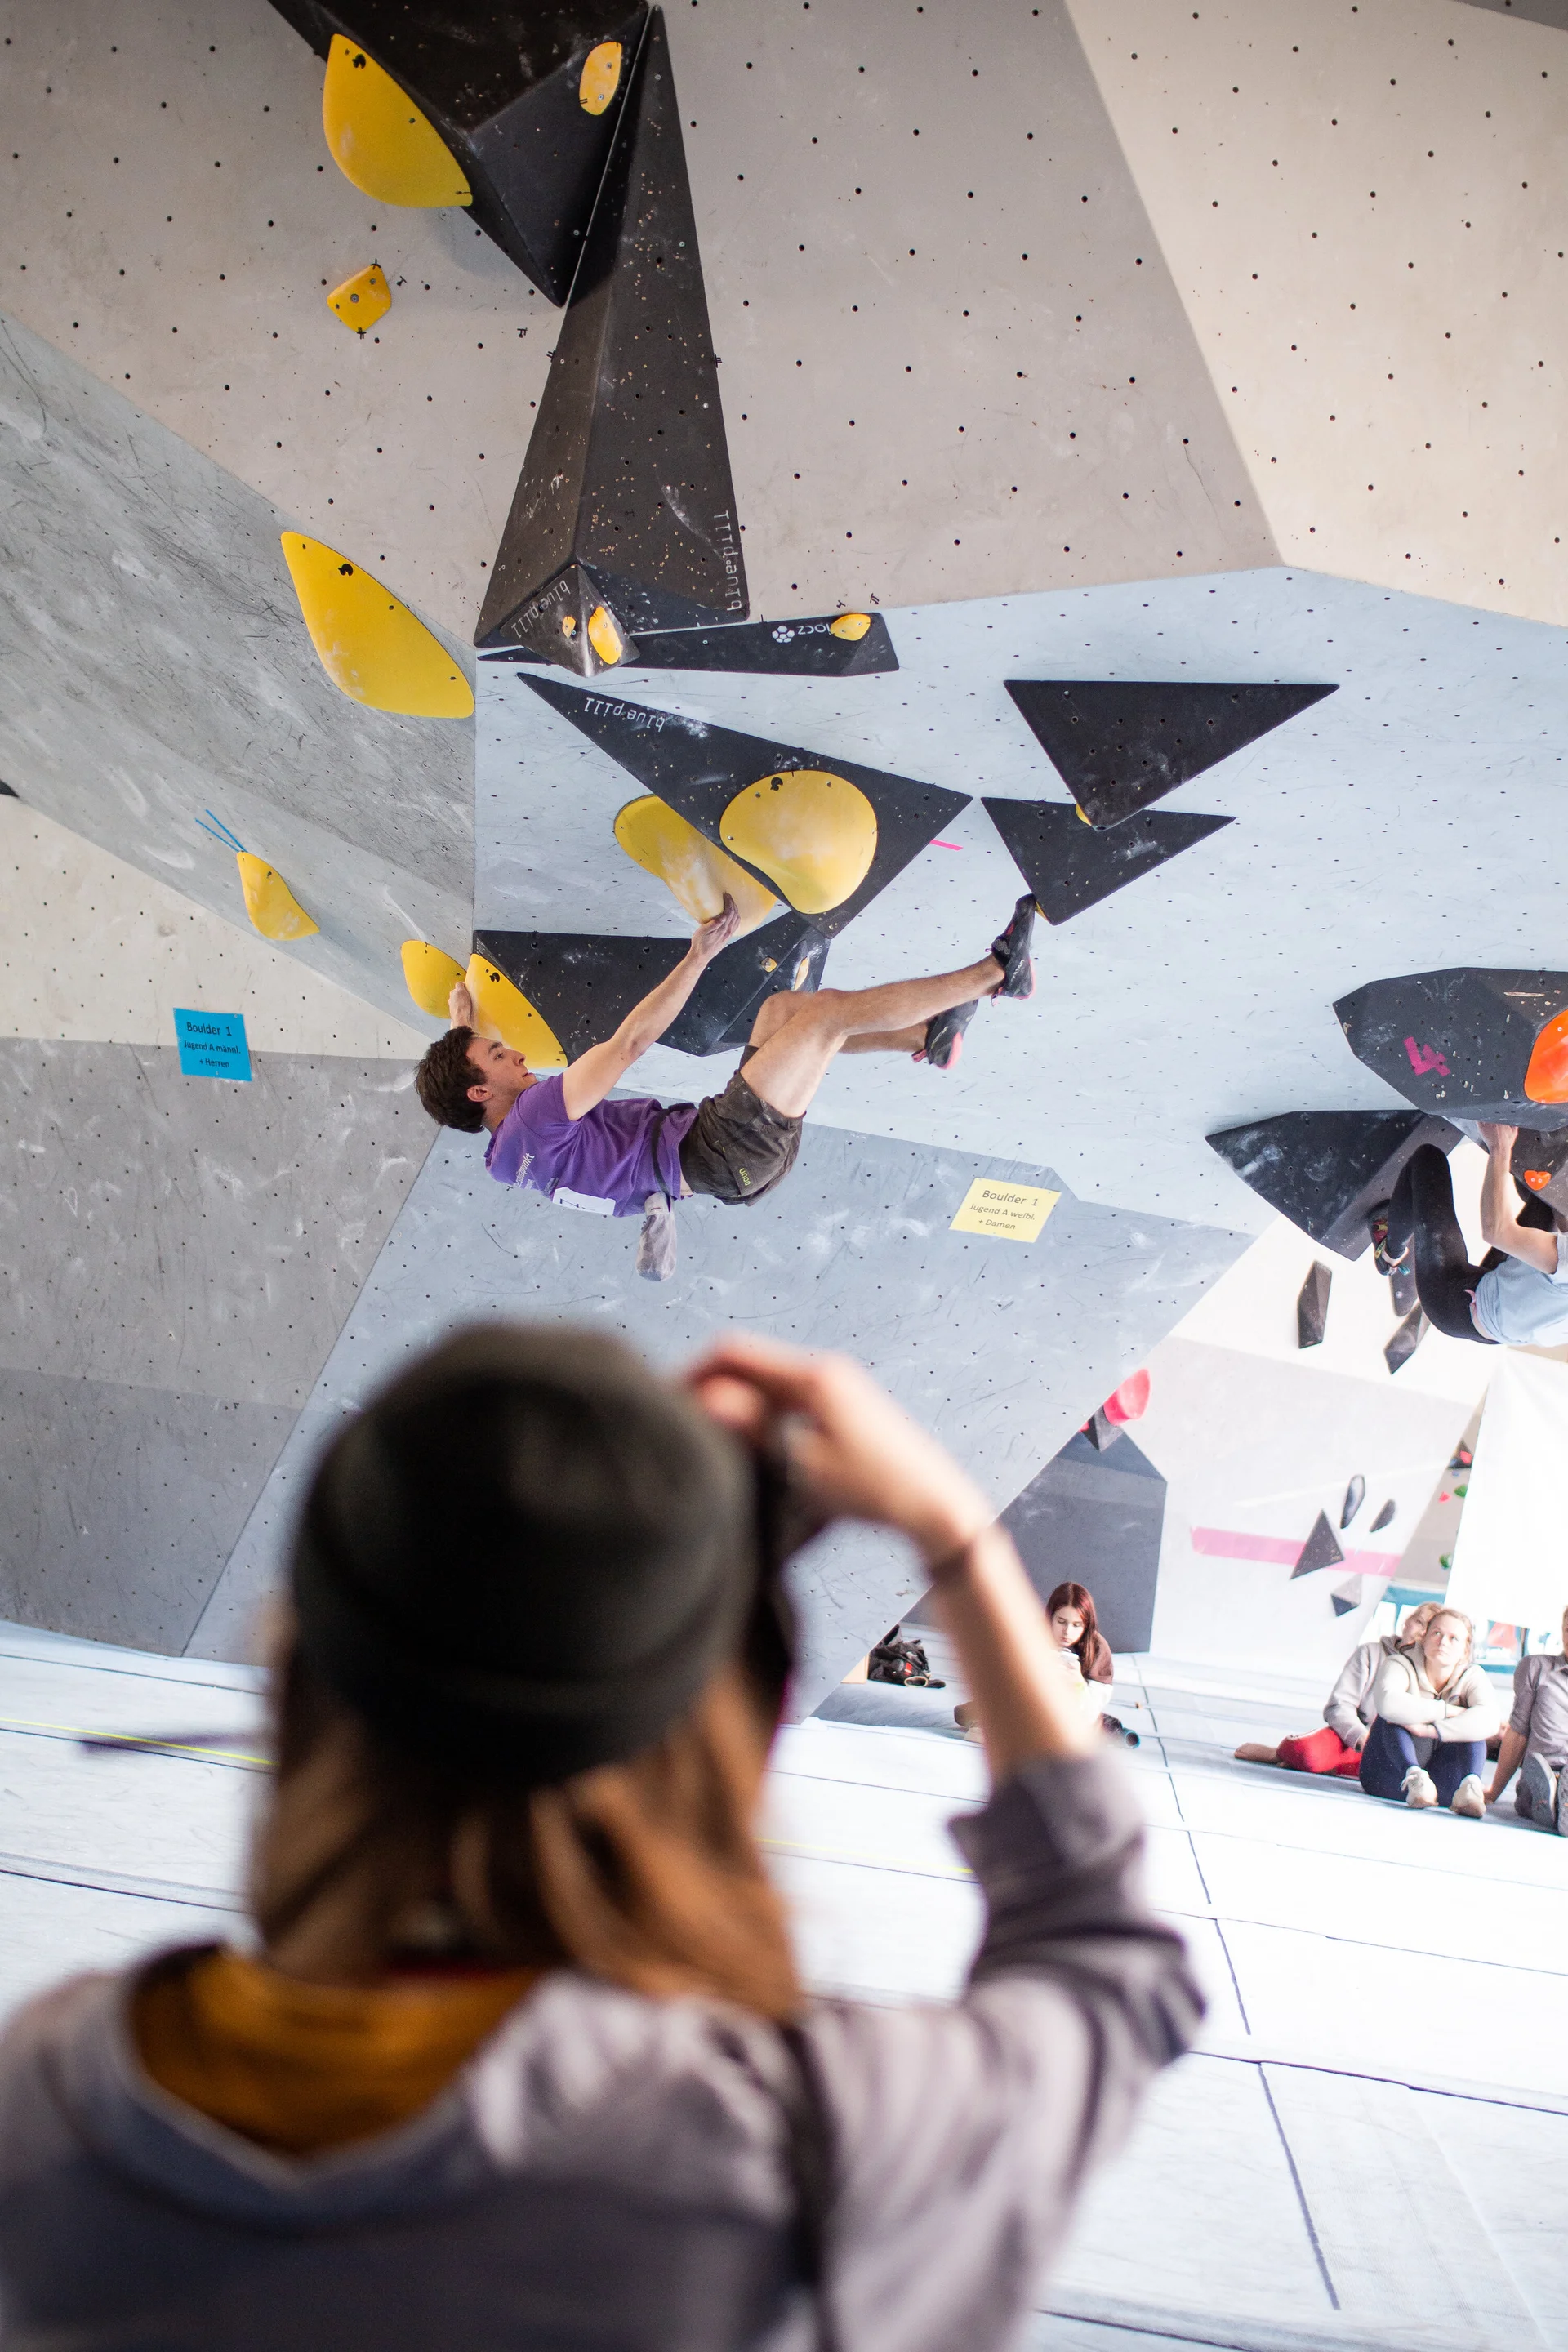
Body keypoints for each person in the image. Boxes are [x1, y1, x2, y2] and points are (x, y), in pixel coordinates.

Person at [0, 1325, 1201, 2352]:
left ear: (300, 1678)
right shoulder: (792, 2146)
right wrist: (952, 1535)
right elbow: (1112, 1968)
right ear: (722, 1729)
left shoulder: (44, 2103)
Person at [413, 894, 1037, 1278]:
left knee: (783, 1014)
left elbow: (476, 1089)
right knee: (825, 1018)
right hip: (720, 1148)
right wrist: (698, 956)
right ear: (477, 1092)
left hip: (723, 1169)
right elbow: (628, 1046)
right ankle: (997, 973)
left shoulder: (503, 1158)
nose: (516, 1053)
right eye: (499, 1056)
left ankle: (925, 1037)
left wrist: (463, 1032)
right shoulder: (535, 1117)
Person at [1371, 1124, 1568, 1347]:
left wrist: (1500, 1148)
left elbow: (1497, 1231)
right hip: (1513, 1298)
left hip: (1459, 1306)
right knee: (1548, 1193)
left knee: (1427, 1162)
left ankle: (1389, 1253)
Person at [1233, 1602, 1439, 1778]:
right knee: (1306, 1752)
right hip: (1355, 1740)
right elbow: (1339, 1705)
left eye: (1429, 1629)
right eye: (1419, 1622)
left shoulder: (1431, 1672)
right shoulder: (1371, 1653)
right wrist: (1360, 1738)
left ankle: (1331, 1766)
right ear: (1407, 1622)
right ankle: (1281, 1753)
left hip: (1395, 1750)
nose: (1421, 1632)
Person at [1358, 1607, 1499, 1814]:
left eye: (1453, 1638)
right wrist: (1448, 1711)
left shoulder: (1472, 1675)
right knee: (1392, 1718)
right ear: (1424, 1638)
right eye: (1436, 1633)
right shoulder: (1399, 1663)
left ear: (1466, 1651)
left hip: (1443, 1788)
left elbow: (1490, 1721)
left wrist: (1431, 1731)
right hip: (1390, 1779)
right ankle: (1414, 1775)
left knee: (1473, 1729)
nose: (1442, 1642)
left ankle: (1471, 1786)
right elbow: (1388, 1703)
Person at [1486, 1605, 1568, 1831]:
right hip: (1545, 1769)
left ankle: (1562, 1805)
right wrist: (1495, 1790)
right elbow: (1518, 1732)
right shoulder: (1536, 1667)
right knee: (1545, 1781)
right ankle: (1552, 1796)